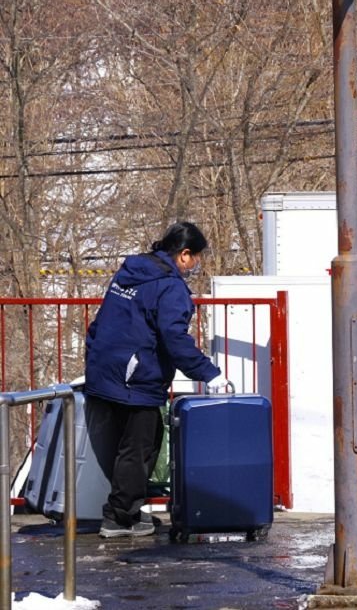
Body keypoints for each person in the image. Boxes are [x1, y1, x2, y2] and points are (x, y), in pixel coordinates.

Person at [85, 222, 231, 538]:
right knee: (140, 447)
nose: (196, 265)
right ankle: (119, 517)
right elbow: (174, 339)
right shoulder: (170, 287)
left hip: (106, 368)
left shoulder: (133, 270)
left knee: (132, 444)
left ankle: (126, 511)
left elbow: (108, 318)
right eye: (196, 258)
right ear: (184, 255)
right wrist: (209, 374)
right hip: (134, 378)